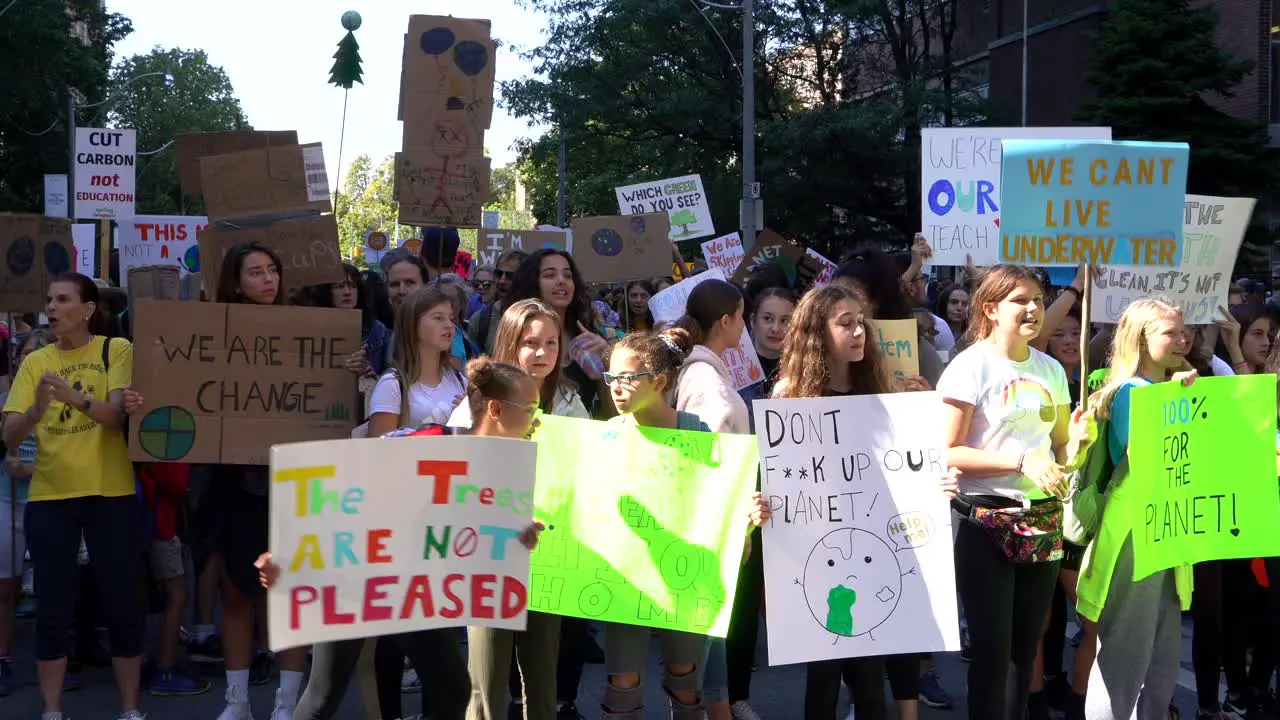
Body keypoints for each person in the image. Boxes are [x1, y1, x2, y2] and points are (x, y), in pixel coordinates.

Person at [256, 357, 546, 720]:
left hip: (414, 593)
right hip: (356, 580)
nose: (537, 420)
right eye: (531, 409)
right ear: (496, 408)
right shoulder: (427, 444)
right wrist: (287, 553)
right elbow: (341, 495)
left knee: (453, 690)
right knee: (321, 699)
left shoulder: (504, 474)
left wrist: (518, 535)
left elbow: (479, 532)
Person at [128, 242, 308, 720]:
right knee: (234, 590)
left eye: (273, 269)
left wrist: (352, 372)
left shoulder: (307, 331)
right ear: (235, 281)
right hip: (231, 484)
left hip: (292, 484)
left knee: (288, 591)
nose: (268, 279)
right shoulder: (208, 334)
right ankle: (238, 700)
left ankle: (287, 703)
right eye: (255, 272)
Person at [772, 283, 959, 720]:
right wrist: (763, 506)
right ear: (817, 332)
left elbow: (905, 467)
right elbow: (782, 479)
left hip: (874, 552)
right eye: (846, 324)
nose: (858, 333)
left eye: (861, 323)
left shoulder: (884, 390)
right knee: (823, 677)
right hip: (816, 558)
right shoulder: (789, 398)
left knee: (871, 677)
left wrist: (935, 484)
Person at [936, 264, 1094, 720]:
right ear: (990, 308)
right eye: (1020, 300)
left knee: (1027, 652)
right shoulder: (971, 366)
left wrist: (1079, 444)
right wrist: (1020, 460)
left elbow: (1061, 451)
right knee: (993, 654)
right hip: (984, 516)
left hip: (1042, 518)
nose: (1032, 309)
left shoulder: (1050, 369)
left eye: (1039, 301)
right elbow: (949, 452)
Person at [599, 328, 772, 719]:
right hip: (623, 578)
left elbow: (722, 508)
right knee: (621, 681)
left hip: (683, 577)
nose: (617, 387)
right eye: (611, 378)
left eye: (628, 378)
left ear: (658, 382)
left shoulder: (696, 433)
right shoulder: (606, 438)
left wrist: (746, 518)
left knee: (685, 679)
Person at [2, 273, 142, 720]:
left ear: (87, 309)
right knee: (52, 608)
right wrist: (35, 412)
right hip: (51, 496)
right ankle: (52, 710)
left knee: (121, 604)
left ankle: (130, 708)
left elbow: (116, 418)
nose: (52, 307)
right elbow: (8, 434)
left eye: (63, 300)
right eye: (49, 300)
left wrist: (71, 396)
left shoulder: (115, 351)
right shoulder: (34, 362)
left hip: (110, 493)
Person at [449, 299, 588, 720]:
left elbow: (585, 473)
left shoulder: (569, 399)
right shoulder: (477, 404)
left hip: (549, 555)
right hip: (488, 558)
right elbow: (457, 486)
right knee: (487, 688)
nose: (543, 353)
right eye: (531, 343)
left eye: (551, 342)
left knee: (543, 683)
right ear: (511, 343)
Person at [1079, 298, 1197, 720]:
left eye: (1184, 329)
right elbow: (1145, 458)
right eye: (1169, 331)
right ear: (1140, 340)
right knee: (1125, 656)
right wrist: (1179, 407)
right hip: (1135, 532)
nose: (1183, 337)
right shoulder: (1130, 392)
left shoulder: (1166, 390)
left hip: (1167, 529)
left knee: (1163, 653)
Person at [0, 329, 48, 697]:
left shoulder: (65, 403)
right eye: (24, 355)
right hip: (7, 501)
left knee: (53, 586)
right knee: (6, 587)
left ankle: (56, 658)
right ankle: (3, 658)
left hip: (52, 500)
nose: (27, 363)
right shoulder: (4, 402)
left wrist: (31, 470)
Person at [367, 286, 468, 435]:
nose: (449, 325)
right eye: (438, 318)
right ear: (413, 325)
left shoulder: (460, 381)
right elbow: (378, 451)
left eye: (451, 318)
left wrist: (470, 422)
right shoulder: (392, 385)